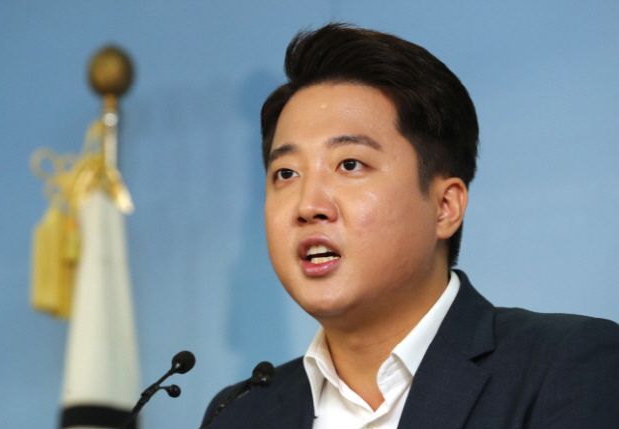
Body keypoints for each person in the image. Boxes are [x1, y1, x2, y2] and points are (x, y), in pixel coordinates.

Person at [201, 23, 619, 428]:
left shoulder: (566, 367)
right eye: (286, 173)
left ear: (445, 207)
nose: (308, 206)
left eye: (350, 164)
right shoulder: (239, 414)